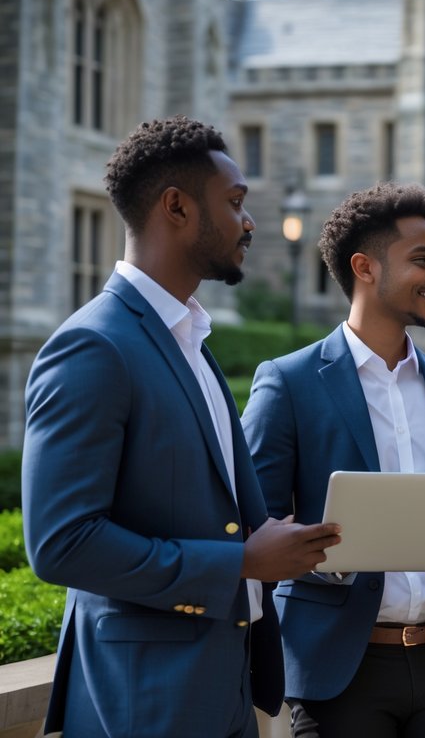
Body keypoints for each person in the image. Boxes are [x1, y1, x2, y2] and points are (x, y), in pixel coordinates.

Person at [21, 116, 342, 738]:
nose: (250, 223)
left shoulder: (191, 341)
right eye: (236, 203)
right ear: (176, 207)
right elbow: (61, 543)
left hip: (225, 686)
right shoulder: (93, 346)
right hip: (141, 700)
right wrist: (239, 563)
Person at [242, 182, 425, 737]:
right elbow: (252, 527)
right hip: (338, 672)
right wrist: (318, 554)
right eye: (421, 261)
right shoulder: (287, 383)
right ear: (364, 267)